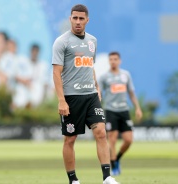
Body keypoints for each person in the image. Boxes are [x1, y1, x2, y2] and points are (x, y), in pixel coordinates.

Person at [52, 4, 119, 184]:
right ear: (70, 19)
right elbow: (56, 73)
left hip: (91, 96)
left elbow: (90, 66)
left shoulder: (92, 41)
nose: (78, 22)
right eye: (75, 18)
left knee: (101, 133)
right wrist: (61, 100)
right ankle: (73, 180)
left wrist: (97, 87)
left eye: (82, 18)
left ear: (87, 20)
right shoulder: (61, 42)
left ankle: (107, 178)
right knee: (70, 139)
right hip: (71, 98)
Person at [99, 51, 143, 175]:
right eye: (111, 59)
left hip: (124, 110)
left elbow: (131, 93)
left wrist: (138, 108)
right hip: (111, 110)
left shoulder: (125, 75)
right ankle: (113, 166)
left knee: (128, 140)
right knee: (111, 139)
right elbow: (100, 94)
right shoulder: (104, 77)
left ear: (120, 61)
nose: (113, 61)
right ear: (109, 61)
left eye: (115, 59)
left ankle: (117, 158)